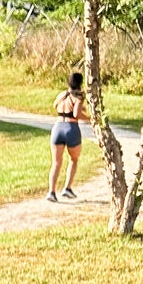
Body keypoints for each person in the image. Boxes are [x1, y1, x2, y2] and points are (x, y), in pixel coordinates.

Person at [48, 70, 86, 201]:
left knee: (56, 163)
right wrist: (90, 119)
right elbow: (76, 114)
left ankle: (51, 192)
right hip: (71, 128)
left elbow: (55, 105)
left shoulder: (62, 94)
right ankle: (67, 188)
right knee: (73, 159)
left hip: (57, 128)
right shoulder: (79, 96)